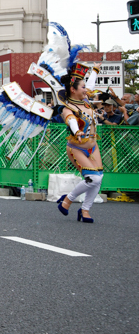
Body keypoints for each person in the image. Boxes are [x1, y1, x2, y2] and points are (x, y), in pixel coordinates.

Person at [57, 66, 104, 223]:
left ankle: (85, 210)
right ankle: (68, 199)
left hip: (92, 146)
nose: (86, 90)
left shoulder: (85, 100)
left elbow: (89, 86)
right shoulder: (67, 108)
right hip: (76, 147)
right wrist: (76, 131)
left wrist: (95, 71)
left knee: (99, 177)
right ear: (73, 89)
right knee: (93, 178)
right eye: (82, 87)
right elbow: (70, 119)